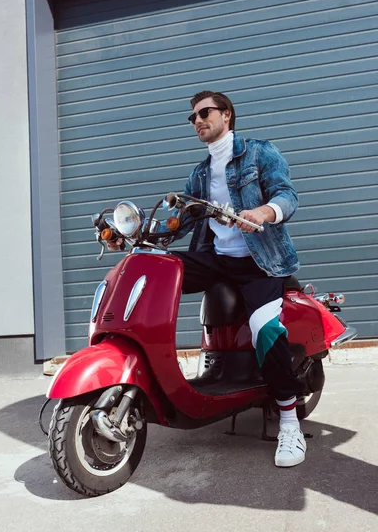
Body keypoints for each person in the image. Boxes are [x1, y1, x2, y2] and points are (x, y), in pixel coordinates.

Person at [109, 90, 306, 468]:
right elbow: (178, 221)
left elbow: (287, 195)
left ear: (227, 115)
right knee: (156, 268)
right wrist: (134, 236)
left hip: (259, 261)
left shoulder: (260, 152)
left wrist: (264, 212)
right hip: (216, 259)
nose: (198, 121)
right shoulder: (200, 173)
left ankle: (288, 420)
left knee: (265, 328)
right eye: (193, 117)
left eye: (205, 113)